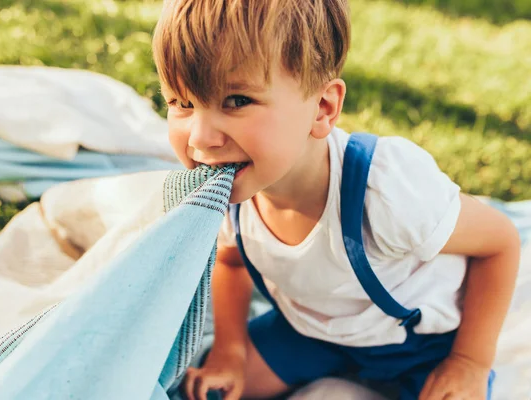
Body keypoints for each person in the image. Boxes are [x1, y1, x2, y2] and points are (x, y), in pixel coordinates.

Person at [151, 1, 521, 399]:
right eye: (181, 103)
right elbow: (231, 259)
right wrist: (229, 350)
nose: (201, 138)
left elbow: (499, 241)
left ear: (323, 108)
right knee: (200, 389)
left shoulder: (384, 190)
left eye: (236, 101)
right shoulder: (232, 189)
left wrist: (469, 362)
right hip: (308, 332)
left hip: (419, 347)